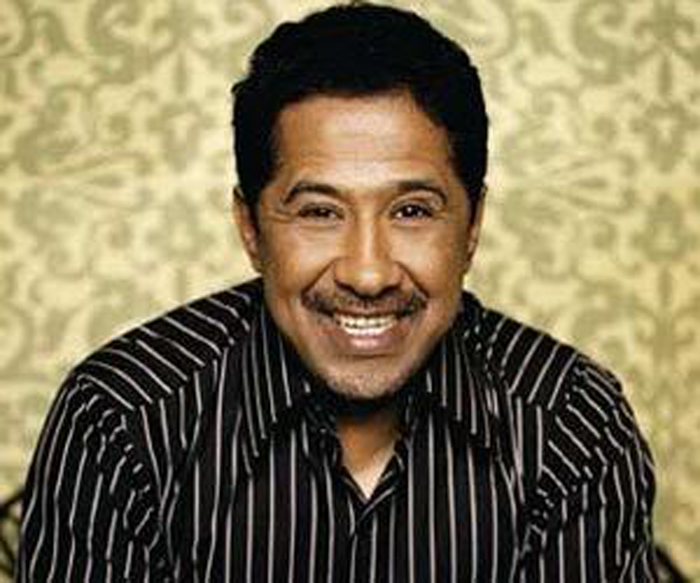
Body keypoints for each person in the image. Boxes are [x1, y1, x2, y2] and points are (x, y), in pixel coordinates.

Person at [18, 3, 657, 581]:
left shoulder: (571, 424)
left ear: (472, 227)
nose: (368, 274)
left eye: (412, 211)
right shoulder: (120, 420)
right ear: (250, 229)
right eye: (320, 213)